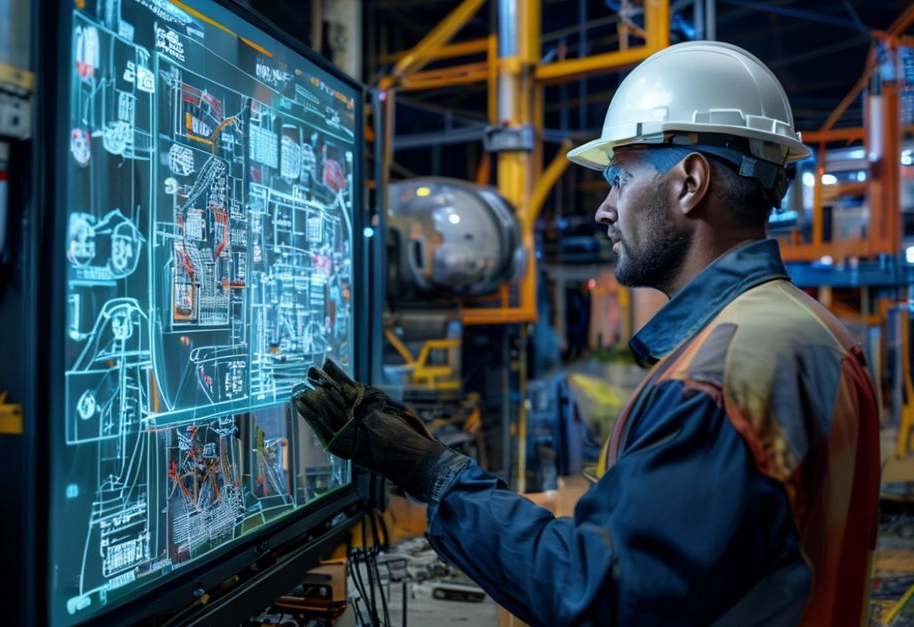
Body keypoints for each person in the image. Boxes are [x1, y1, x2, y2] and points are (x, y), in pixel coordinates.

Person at [296, 41, 880, 626]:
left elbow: (597, 596)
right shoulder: (811, 330)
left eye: (619, 179)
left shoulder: (721, 376)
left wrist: (430, 471)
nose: (604, 210)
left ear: (690, 182)